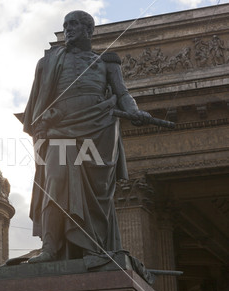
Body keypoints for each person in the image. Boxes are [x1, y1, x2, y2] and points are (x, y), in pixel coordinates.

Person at [21, 10, 151, 264]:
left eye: (74, 24)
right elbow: (38, 102)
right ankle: (50, 247)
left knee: (97, 191)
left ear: (89, 30)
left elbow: (122, 93)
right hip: (61, 128)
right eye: (65, 25)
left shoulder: (106, 63)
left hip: (98, 129)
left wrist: (133, 111)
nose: (68, 29)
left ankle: (93, 247)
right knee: (56, 181)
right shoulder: (48, 62)